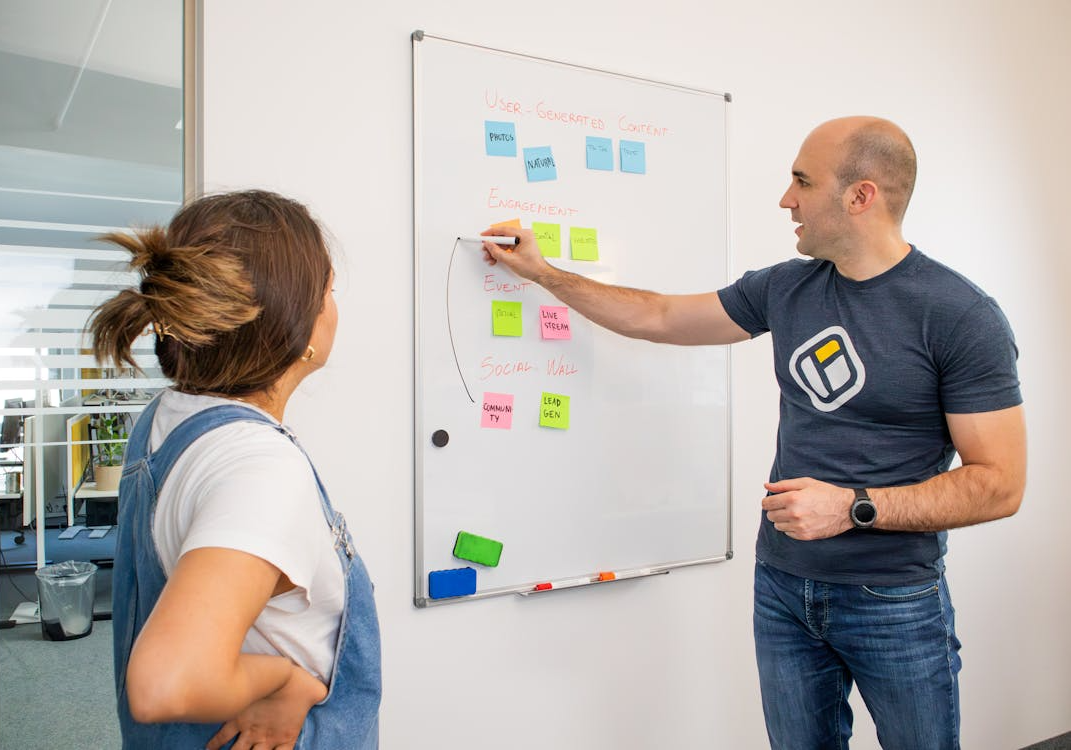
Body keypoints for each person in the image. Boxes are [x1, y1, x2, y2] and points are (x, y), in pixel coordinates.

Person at [481, 116, 1025, 750]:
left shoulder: (960, 315)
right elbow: (657, 315)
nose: (785, 199)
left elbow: (1000, 485)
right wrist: (545, 274)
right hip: (784, 587)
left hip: (893, 598)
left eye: (802, 181)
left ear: (861, 196)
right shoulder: (787, 288)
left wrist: (853, 508)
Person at [89, 190, 381, 749]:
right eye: (328, 291)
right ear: (298, 328)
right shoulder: (261, 469)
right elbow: (165, 684)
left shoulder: (168, 419)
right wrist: (286, 682)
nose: (333, 305)